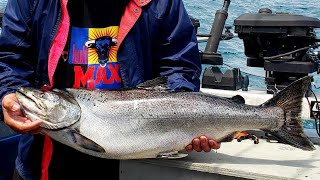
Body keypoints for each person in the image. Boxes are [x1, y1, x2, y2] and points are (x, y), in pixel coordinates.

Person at [0, 0, 221, 179]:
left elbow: (180, 66)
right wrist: (8, 94)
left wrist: (188, 123)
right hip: (43, 158)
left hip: (137, 160)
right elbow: (10, 57)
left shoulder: (162, 3)